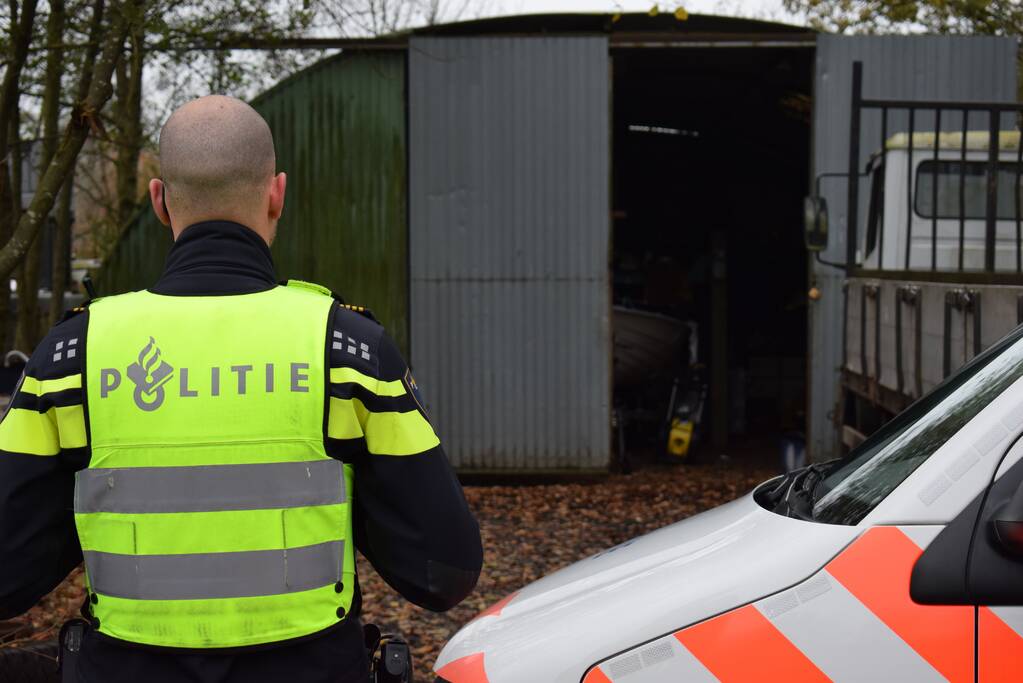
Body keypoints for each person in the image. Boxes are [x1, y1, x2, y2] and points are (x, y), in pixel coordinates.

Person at [0, 95, 483, 682]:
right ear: (277, 193)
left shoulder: (71, 357)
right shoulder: (348, 351)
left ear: (159, 200)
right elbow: (444, 571)